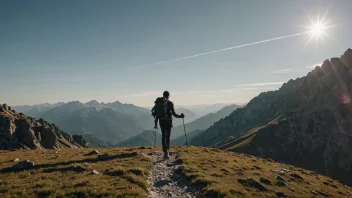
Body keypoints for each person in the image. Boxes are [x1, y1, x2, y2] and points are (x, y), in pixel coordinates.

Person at [152, 91, 184, 159]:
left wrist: (156, 123)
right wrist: (181, 116)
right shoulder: (170, 103)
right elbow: (174, 114)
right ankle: (167, 151)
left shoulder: (158, 102)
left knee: (163, 135)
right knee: (168, 136)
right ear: (168, 95)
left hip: (161, 121)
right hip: (168, 121)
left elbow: (156, 114)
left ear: (163, 95)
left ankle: (165, 151)